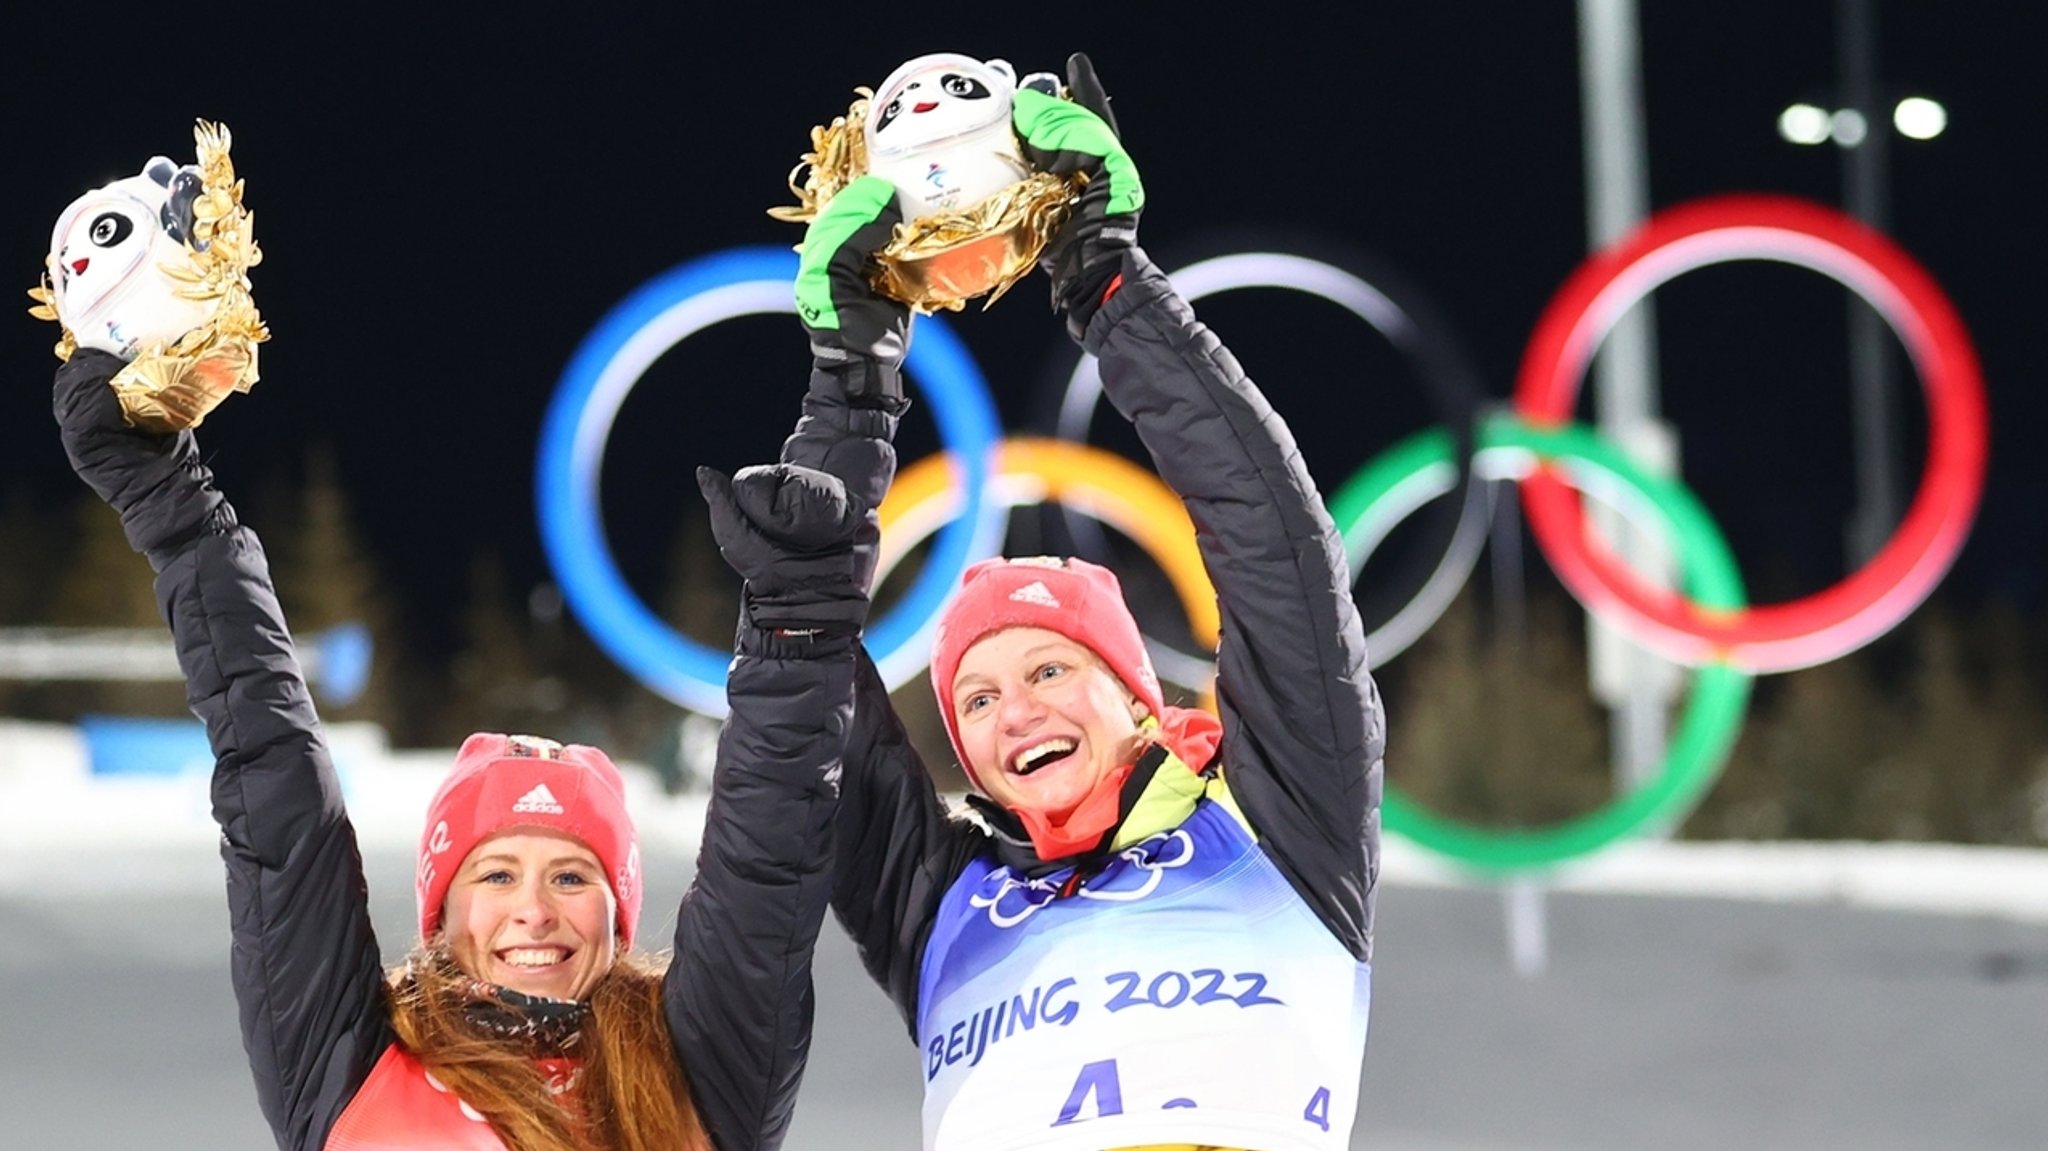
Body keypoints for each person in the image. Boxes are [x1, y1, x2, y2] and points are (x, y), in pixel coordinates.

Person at [46, 150, 884, 1151]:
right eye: (495, 873)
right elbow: (273, 785)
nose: (535, 909)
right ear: (441, 908)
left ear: (619, 911)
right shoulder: (346, 1061)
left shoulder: (697, 1068)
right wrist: (172, 511)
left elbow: (770, 837)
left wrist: (796, 608)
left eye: (572, 875)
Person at [784, 53, 1386, 1151]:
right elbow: (797, 681)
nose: (1013, 710)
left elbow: (1272, 546)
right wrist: (849, 383)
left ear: (1137, 692)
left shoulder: (1280, 817)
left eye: (1048, 668)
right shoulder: (934, 901)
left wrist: (1109, 282)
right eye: (974, 697)